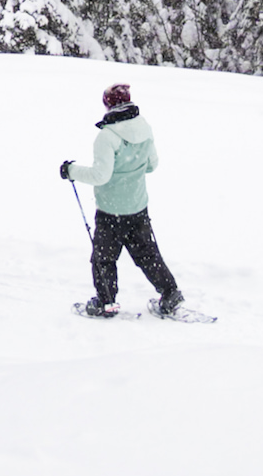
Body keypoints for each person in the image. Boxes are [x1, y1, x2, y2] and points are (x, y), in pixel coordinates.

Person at [59, 83, 182, 318]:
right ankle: (170, 293)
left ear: (109, 104)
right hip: (137, 207)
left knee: (103, 258)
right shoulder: (145, 128)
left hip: (110, 210)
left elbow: (100, 175)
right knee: (148, 255)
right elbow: (152, 165)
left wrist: (71, 170)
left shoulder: (107, 137)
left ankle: (106, 302)